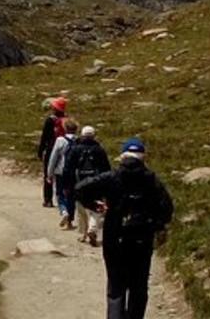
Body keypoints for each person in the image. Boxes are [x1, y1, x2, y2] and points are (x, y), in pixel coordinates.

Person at [75, 137, 174, 319]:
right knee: (138, 287)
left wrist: (95, 206)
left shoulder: (112, 177)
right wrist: (157, 225)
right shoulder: (151, 179)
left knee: (116, 287)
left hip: (115, 236)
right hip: (141, 238)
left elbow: (80, 188)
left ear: (123, 157)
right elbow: (167, 207)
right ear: (142, 157)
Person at [64, 125, 112, 246]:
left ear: (82, 135)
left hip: (79, 183)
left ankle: (84, 234)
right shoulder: (99, 150)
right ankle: (92, 229)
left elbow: (68, 168)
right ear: (94, 135)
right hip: (96, 183)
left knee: (81, 210)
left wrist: (67, 185)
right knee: (96, 209)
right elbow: (106, 169)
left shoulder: (75, 149)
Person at [46, 118, 79, 228]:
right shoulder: (78, 141)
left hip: (60, 171)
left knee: (60, 193)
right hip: (74, 173)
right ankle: (70, 220)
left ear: (65, 128)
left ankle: (64, 211)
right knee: (72, 196)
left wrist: (49, 173)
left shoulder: (60, 140)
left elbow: (53, 158)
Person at [36, 96, 68, 207]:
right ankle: (64, 198)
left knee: (48, 174)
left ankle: (48, 199)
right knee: (63, 174)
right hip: (64, 149)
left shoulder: (50, 120)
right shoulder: (67, 120)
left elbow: (44, 137)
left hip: (51, 148)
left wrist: (40, 151)